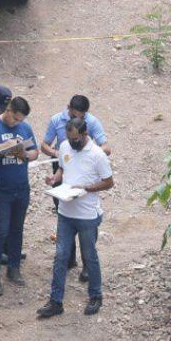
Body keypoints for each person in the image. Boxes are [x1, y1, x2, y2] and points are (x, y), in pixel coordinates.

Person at [37, 117, 112, 318]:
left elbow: (108, 182)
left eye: (76, 139)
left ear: (86, 134)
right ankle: (56, 301)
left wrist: (86, 188)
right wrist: (55, 178)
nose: (72, 143)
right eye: (69, 138)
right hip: (65, 211)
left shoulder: (97, 154)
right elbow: (63, 168)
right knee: (60, 256)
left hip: (87, 214)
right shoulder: (64, 146)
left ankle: (95, 295)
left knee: (89, 256)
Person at [40, 94, 111, 280]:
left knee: (86, 221)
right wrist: (60, 154)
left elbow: (106, 147)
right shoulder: (57, 121)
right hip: (64, 166)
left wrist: (87, 155)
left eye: (81, 116)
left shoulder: (92, 123)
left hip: (85, 171)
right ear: (68, 108)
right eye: (74, 115)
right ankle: (68, 258)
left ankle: (87, 265)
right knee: (65, 214)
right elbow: (45, 145)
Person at [0, 96, 37, 296]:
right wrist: (5, 147)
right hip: (0, 190)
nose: (17, 123)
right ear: (9, 110)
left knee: (16, 230)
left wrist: (25, 153)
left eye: (20, 120)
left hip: (21, 188)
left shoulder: (25, 128)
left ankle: (14, 267)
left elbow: (34, 151)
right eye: (15, 118)